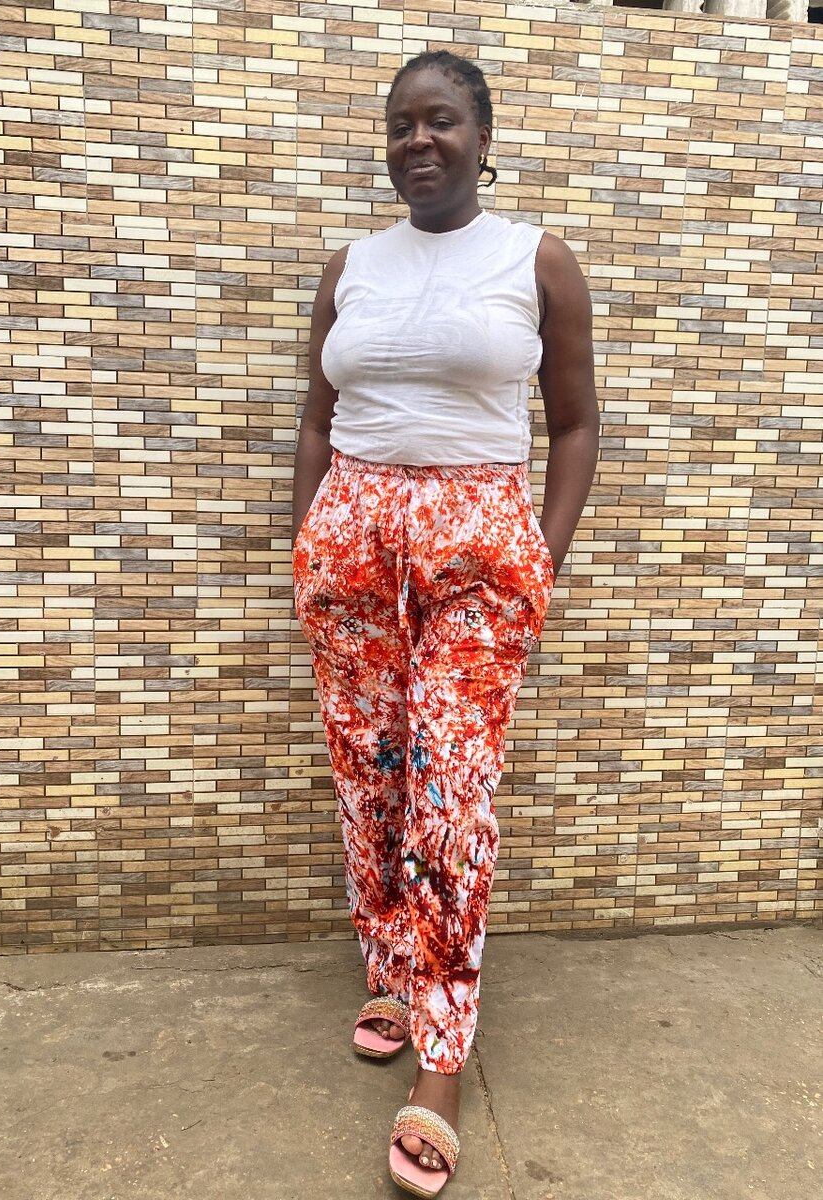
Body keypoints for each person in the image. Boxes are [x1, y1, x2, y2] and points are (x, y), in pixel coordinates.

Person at [291, 50, 599, 1197]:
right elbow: (318, 420)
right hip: (353, 542)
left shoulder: (536, 259)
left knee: (451, 791)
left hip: (478, 546)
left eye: (440, 121)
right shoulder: (352, 266)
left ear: (482, 136)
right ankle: (390, 967)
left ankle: (443, 1058)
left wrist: (537, 560)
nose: (418, 141)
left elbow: (577, 425)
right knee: (370, 772)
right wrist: (308, 540)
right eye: (400, 125)